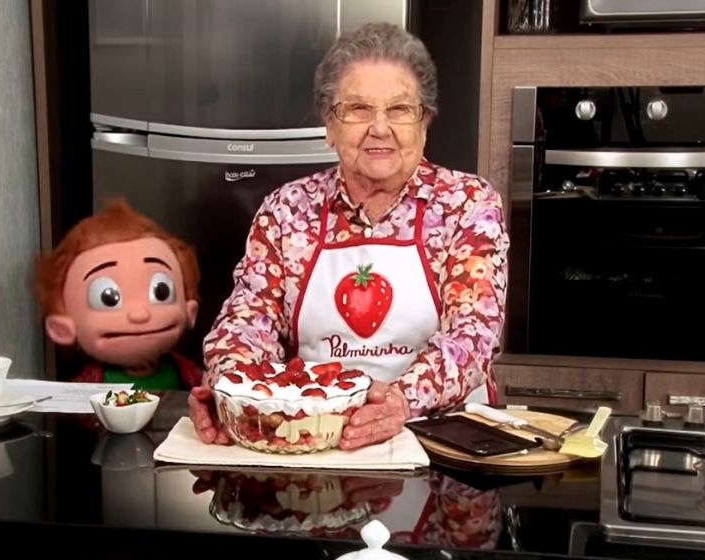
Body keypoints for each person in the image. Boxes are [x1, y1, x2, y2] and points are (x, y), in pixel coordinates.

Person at [189, 22, 508, 448]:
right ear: (329, 125)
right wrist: (235, 393)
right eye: (357, 109)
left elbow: (474, 334)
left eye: (399, 109)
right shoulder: (287, 210)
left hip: (446, 444)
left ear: (424, 122)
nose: (379, 127)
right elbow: (247, 321)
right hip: (316, 442)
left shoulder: (468, 203)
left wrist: (398, 401)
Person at [34, 199, 203, 389]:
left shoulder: (182, 370)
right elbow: (78, 409)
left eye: (161, 292)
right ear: (63, 328)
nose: (140, 314)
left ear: (190, 311)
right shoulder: (93, 380)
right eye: (107, 298)